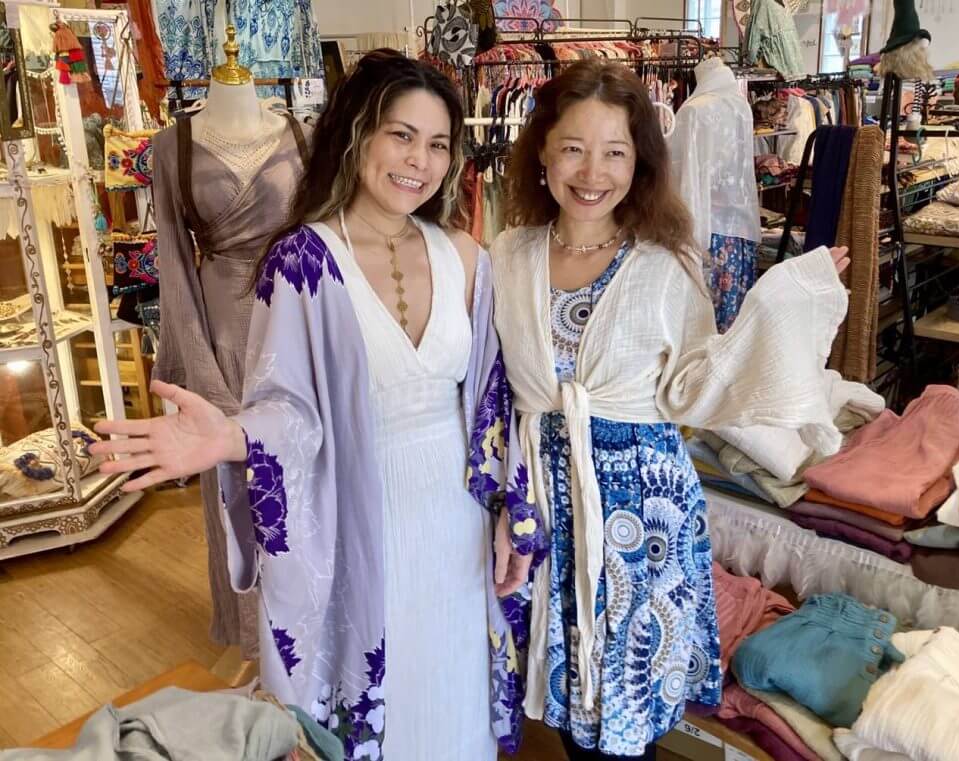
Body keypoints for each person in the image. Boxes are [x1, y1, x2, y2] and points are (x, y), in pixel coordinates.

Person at [90, 50, 544, 761]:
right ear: (357, 135)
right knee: (387, 715)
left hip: (456, 526)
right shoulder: (303, 260)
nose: (419, 161)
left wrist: (509, 515)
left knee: (456, 708)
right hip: (362, 522)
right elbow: (288, 410)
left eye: (437, 144)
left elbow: (490, 405)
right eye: (401, 135)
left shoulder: (465, 255)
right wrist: (230, 437)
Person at [490, 59, 851, 760]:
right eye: (573, 148)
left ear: (640, 163)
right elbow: (493, 386)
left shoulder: (663, 262)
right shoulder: (506, 256)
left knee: (626, 720)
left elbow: (698, 384)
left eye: (615, 152)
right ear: (542, 152)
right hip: (547, 509)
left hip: (642, 519)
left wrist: (780, 304)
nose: (592, 172)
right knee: (568, 706)